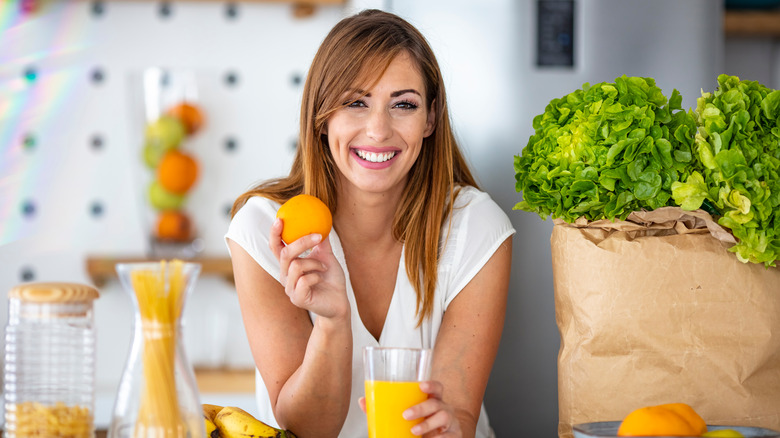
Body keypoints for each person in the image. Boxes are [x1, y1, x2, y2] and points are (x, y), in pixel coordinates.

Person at [225, 9, 514, 438]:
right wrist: (331, 322)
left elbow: (458, 417)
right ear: (322, 116)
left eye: (403, 105)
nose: (378, 130)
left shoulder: (475, 227)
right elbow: (305, 429)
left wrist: (450, 426)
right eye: (355, 102)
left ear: (430, 119)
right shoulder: (266, 228)